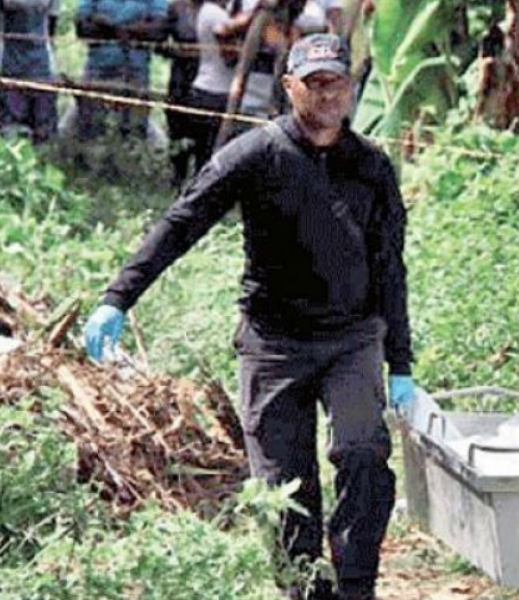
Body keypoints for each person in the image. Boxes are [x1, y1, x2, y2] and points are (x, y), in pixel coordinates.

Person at [81, 34, 415, 600]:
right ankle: (303, 592)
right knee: (284, 490)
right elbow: (182, 222)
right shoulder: (255, 155)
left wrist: (401, 362)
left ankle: (357, 587)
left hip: (351, 340)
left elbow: (391, 269)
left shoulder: (371, 168)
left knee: (363, 454)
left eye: (336, 81)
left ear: (351, 87)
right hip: (273, 344)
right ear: (290, 88)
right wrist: (118, 297)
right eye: (315, 83)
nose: (328, 94)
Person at [72, 0, 167, 140]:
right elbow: (83, 29)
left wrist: (110, 26)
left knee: (134, 128)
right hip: (98, 68)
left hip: (136, 70)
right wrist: (130, 31)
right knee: (91, 124)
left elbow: (158, 31)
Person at [0, 0, 61, 144]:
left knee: (11, 132)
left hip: (18, 67)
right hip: (34, 67)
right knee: (42, 132)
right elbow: (52, 24)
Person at [158, 0, 204, 186]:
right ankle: (178, 175)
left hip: (208, 77)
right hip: (181, 76)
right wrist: (175, 51)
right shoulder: (176, 7)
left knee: (203, 127)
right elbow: (159, 42)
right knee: (177, 125)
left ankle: (202, 178)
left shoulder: (220, 8)